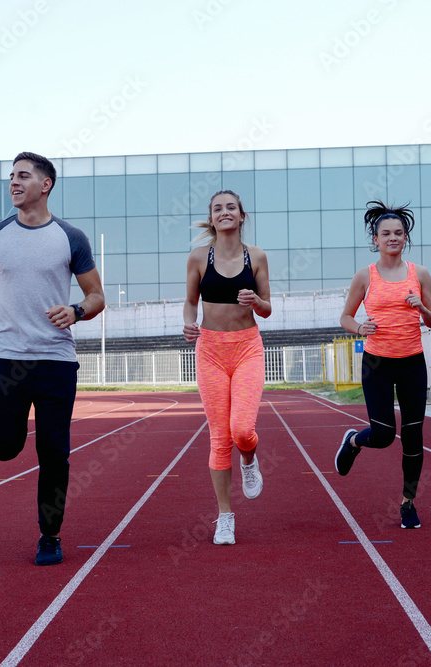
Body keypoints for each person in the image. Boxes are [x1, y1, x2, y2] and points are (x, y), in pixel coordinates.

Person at [0, 152, 104, 566]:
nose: (13, 182)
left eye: (23, 176)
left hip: (56, 361)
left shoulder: (70, 238)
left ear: (45, 185)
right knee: (3, 447)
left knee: (53, 452)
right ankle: (13, 430)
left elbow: (96, 296)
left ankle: (50, 535)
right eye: (11, 176)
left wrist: (76, 311)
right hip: (8, 358)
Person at [335, 200, 431, 529]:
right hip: (378, 363)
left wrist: (421, 307)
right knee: (382, 435)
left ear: (405, 237)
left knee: (412, 437)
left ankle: (408, 502)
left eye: (398, 232)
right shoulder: (364, 276)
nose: (393, 237)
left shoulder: (419, 273)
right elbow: (345, 317)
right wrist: (359, 328)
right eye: (386, 233)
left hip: (412, 364)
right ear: (376, 239)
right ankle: (353, 441)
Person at [183, 190, 272, 545]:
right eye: (217, 208)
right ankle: (225, 517)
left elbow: (267, 309)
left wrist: (256, 300)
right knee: (219, 438)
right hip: (211, 352)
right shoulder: (197, 258)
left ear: (241, 215)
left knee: (241, 430)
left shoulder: (258, 257)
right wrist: (188, 324)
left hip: (247, 348)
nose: (224, 212)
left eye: (230, 207)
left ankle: (249, 459)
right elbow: (190, 303)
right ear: (212, 217)